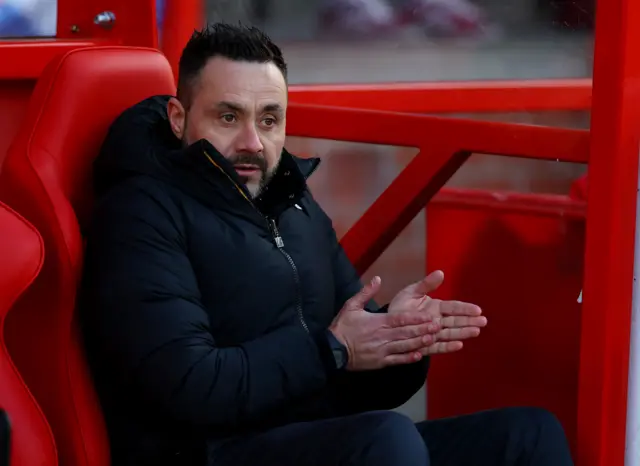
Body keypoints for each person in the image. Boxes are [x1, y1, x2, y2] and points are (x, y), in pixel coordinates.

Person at [80, 22, 574, 466]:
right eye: (229, 117)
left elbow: (352, 361)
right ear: (178, 118)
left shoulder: (291, 202)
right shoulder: (141, 212)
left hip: (314, 438)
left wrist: (399, 339)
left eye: (269, 119)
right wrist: (332, 351)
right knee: (386, 441)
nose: (253, 140)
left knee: (527, 435)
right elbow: (189, 386)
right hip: (207, 450)